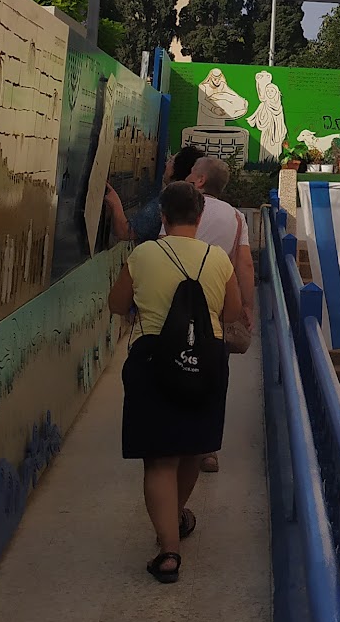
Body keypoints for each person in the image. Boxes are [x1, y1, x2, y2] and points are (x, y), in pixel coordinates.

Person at [108, 180, 244, 584]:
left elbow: (117, 304)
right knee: (191, 450)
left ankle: (169, 550)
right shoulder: (217, 258)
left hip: (153, 360)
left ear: (163, 216)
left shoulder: (144, 254)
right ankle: (177, 516)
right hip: (207, 360)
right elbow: (232, 312)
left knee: (159, 458)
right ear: (199, 217)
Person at [185, 156, 256, 474]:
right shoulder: (236, 217)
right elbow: (245, 264)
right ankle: (208, 449)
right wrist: (247, 306)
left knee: (175, 366)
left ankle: (174, 437)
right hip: (216, 307)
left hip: (176, 303)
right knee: (214, 375)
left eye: (192, 172)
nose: (188, 176)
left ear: (200, 180)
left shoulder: (181, 208)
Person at [105, 143, 203, 245]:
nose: (166, 164)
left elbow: (125, 232)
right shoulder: (196, 201)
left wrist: (115, 204)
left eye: (170, 160)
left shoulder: (168, 201)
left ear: (178, 169)